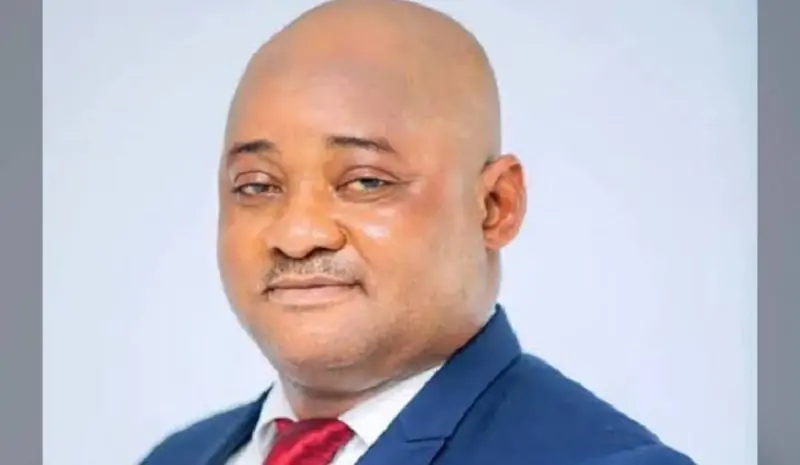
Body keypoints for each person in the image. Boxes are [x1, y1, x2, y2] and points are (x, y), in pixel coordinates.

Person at [140, 1, 695, 464]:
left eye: (365, 181)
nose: (298, 233)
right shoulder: (176, 457)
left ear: (495, 207)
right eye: (258, 186)